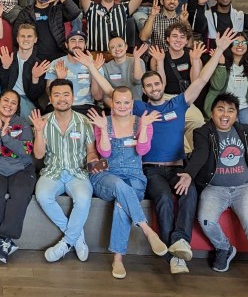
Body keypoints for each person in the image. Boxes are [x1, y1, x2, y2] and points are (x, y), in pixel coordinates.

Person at [89, 28, 235, 274]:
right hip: (151, 170)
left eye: (157, 83)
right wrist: (92, 68)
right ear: (144, 90)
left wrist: (219, 49)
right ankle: (170, 254)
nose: (154, 87)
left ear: (162, 84)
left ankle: (180, 243)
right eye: (149, 85)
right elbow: (112, 92)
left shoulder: (178, 103)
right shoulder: (138, 108)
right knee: (165, 200)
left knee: (189, 194)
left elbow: (201, 81)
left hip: (178, 166)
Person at [179, 93, 248, 297]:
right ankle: (224, 248)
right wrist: (189, 174)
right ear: (212, 112)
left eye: (231, 111)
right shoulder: (203, 132)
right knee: (206, 220)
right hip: (215, 188)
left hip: (243, 187)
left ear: (236, 114)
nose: (225, 115)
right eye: (220, 109)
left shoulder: (243, 130)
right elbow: (201, 154)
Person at [86, 92, 169, 279]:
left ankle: (118, 259)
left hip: (134, 176)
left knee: (122, 203)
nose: (122, 106)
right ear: (112, 103)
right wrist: (103, 130)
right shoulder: (103, 121)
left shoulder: (142, 121)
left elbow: (142, 150)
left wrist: (144, 127)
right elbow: (105, 154)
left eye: (126, 102)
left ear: (132, 103)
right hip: (106, 174)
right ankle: (147, 230)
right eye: (118, 102)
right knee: (120, 187)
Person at [32, 80, 96, 263]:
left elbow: (91, 151)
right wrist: (38, 131)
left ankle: (66, 243)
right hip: (52, 171)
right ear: (51, 98)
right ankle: (76, 238)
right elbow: (38, 154)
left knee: (83, 198)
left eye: (66, 94)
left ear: (73, 97)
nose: (62, 99)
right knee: (42, 195)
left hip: (78, 172)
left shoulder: (84, 122)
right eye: (57, 95)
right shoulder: (43, 121)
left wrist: (93, 160)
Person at [0, 90, 36, 263]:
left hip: (20, 168)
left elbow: (26, 150)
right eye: (6, 100)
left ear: (17, 107)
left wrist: (5, 136)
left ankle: (2, 238)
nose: (9, 105)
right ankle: (5, 239)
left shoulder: (22, 124)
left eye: (13, 102)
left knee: (21, 194)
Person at [203, 32, 248, 144]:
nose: (240, 45)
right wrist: (221, 65)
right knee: (230, 126)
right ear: (229, 45)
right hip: (223, 106)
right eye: (236, 42)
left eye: (244, 42)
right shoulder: (220, 59)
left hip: (244, 106)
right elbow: (217, 85)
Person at [12, 0, 83, 62]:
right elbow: (16, 35)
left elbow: (75, 12)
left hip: (59, 58)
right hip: (35, 59)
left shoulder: (57, 9)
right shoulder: (26, 13)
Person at [0, 24, 50, 119]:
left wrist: (35, 78)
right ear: (17, 39)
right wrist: (5, 67)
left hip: (27, 100)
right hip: (7, 98)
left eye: (29, 36)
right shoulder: (7, 58)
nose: (26, 39)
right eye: (22, 36)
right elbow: (1, 87)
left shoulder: (39, 64)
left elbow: (35, 96)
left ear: (35, 39)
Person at [45, 32, 99, 115]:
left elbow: (98, 97)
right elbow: (49, 93)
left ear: (85, 45)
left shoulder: (94, 64)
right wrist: (60, 80)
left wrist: (94, 72)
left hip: (85, 106)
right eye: (73, 41)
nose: (77, 44)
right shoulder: (55, 63)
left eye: (81, 41)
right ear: (66, 45)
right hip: (59, 105)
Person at [99, 37, 148, 102]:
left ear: (126, 47)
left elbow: (138, 80)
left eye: (120, 45)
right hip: (115, 104)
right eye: (113, 47)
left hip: (136, 102)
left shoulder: (138, 61)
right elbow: (106, 93)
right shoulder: (106, 67)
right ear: (109, 51)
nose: (117, 49)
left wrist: (136, 58)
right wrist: (113, 106)